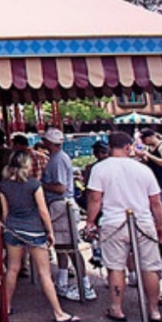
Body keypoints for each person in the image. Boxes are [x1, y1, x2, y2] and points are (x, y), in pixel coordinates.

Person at [86, 132, 162, 322]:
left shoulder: (100, 169)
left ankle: (117, 308)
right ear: (127, 146)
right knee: (150, 267)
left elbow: (95, 199)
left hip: (113, 221)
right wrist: (161, 226)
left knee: (115, 267)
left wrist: (90, 221)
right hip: (143, 220)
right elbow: (156, 202)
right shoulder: (142, 169)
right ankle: (154, 310)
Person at [0, 150, 78, 322]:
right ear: (25, 165)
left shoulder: (3, 185)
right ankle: (58, 312)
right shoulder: (34, 185)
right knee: (44, 273)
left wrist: (8, 227)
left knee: (12, 269)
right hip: (34, 229)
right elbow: (42, 210)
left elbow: (5, 212)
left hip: (13, 228)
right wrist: (50, 231)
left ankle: (7, 306)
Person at [41, 128, 94, 301]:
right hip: (62, 204)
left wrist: (41, 185)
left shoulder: (56, 161)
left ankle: (84, 285)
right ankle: (64, 281)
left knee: (70, 247)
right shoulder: (59, 158)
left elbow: (60, 187)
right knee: (62, 247)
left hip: (60, 204)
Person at [138, 128, 162, 216]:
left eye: (144, 139)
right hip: (154, 182)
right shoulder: (148, 148)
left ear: (151, 137)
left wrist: (149, 155)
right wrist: (143, 157)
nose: (143, 142)